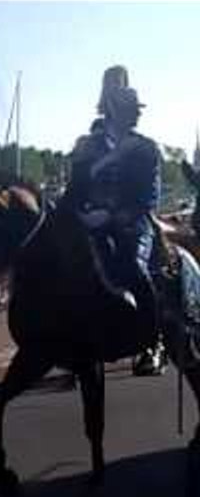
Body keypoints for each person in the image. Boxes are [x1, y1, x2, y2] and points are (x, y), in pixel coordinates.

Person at [65, 66, 164, 374]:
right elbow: (76, 187)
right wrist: (80, 212)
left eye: (134, 110)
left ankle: (152, 337)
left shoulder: (145, 147)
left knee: (134, 265)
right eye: (128, 110)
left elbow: (149, 195)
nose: (134, 116)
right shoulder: (87, 145)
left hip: (130, 222)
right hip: (91, 220)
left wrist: (117, 214)